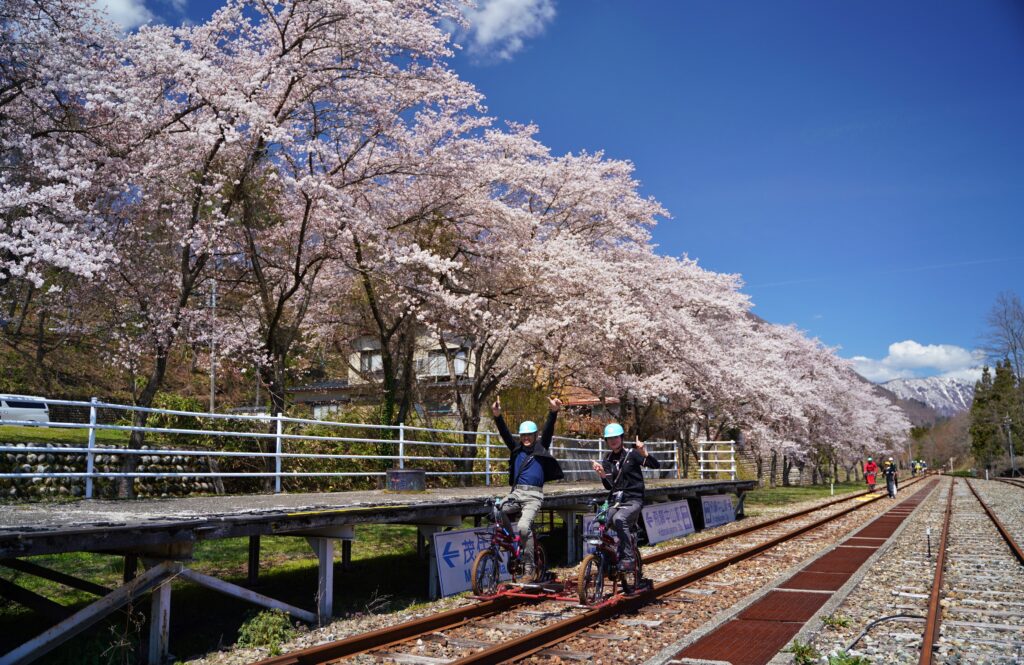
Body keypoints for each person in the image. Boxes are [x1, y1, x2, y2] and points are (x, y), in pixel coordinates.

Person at [491, 395, 564, 583]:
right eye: (523, 435)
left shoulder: (541, 448)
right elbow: (505, 434)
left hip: (533, 495)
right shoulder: (516, 449)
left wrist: (553, 412)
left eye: (529, 435)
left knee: (524, 526)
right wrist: (497, 416)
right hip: (516, 493)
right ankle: (513, 543)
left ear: (535, 436)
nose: (525, 438)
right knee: (497, 510)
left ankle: (529, 568)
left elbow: (548, 431)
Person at [590, 423, 661, 576]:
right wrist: (602, 475)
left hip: (634, 499)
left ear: (621, 438)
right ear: (606, 441)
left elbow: (656, 465)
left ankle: (628, 557)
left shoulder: (632, 454)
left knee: (619, 519)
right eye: (609, 438)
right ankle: (608, 554)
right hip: (617, 501)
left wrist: (644, 453)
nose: (613, 441)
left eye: (616, 437)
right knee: (602, 519)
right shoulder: (607, 460)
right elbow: (610, 487)